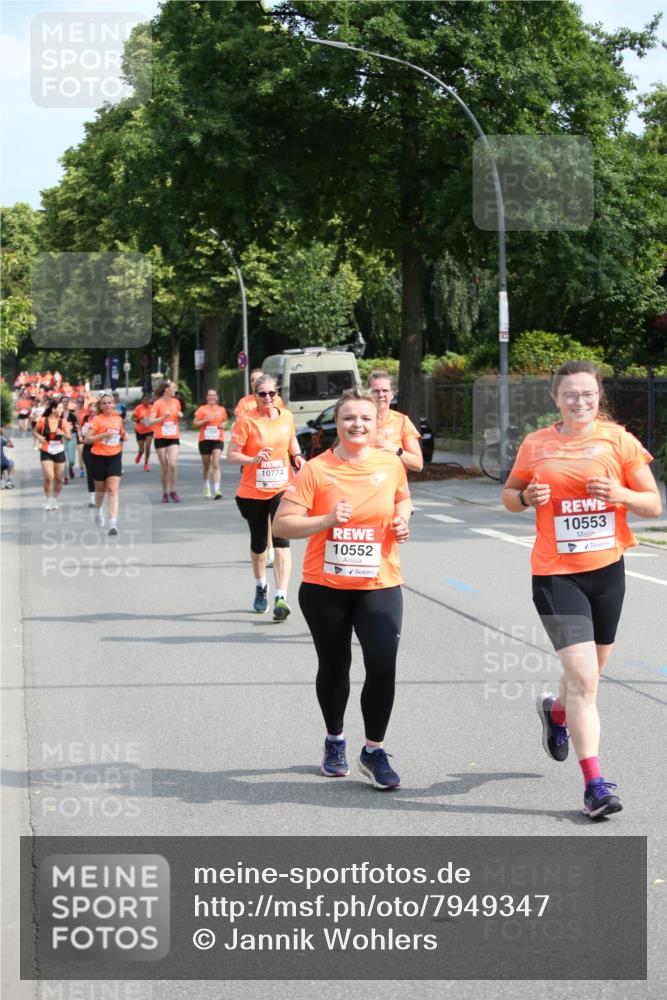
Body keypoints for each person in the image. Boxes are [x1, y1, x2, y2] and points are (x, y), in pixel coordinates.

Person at [502, 360, 662, 820]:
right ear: (556, 399)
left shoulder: (619, 440)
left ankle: (557, 714)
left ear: (598, 396)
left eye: (587, 393)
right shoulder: (537, 444)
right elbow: (510, 496)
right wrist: (525, 499)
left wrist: (621, 494)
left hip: (608, 571)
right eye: (569, 394)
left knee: (585, 678)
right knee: (586, 679)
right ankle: (594, 784)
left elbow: (652, 504)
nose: (579, 401)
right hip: (556, 575)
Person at [273, 387, 412, 789]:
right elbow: (281, 525)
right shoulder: (316, 469)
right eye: (349, 417)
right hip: (325, 586)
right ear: (338, 422)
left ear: (376, 424)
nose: (357, 424)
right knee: (336, 667)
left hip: (379, 582)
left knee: (383, 665)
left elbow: (403, 500)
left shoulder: (390, 465)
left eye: (365, 418)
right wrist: (327, 520)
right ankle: (335, 739)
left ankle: (374, 750)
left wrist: (404, 521)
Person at [227, 374, 305, 620]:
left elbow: (291, 438)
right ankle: (261, 586)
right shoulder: (245, 422)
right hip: (252, 490)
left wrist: (298, 456)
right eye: (263, 394)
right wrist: (252, 459)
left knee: (282, 540)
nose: (269, 398)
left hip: (282, 486)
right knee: (259, 543)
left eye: (273, 393)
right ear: (255, 394)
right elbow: (231, 455)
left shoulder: (287, 416)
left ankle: (281, 596)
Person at [84, 392, 128, 535]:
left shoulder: (118, 419)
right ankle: (98, 511)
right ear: (101, 406)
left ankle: (113, 523)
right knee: (101, 491)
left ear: (114, 404)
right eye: (104, 403)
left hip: (115, 456)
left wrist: (124, 435)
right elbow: (87, 439)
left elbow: (121, 433)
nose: (107, 405)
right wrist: (103, 436)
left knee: (113, 490)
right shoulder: (97, 420)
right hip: (98, 458)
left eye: (110, 402)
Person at [367, 370, 423, 473]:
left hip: (395, 488)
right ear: (368, 394)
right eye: (376, 391)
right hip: (367, 486)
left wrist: (396, 450)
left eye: (385, 390)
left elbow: (418, 465)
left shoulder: (402, 421)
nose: (381, 394)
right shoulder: (360, 422)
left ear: (392, 394)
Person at [141, 380, 182, 502]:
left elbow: (178, 414)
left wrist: (179, 415)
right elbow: (150, 421)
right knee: (164, 467)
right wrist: (163, 417)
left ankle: (173, 490)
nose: (175, 390)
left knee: (173, 464)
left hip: (173, 436)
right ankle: (165, 492)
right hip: (160, 438)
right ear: (166, 390)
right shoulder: (157, 404)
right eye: (173, 388)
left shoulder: (176, 402)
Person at [34, 399, 72, 510]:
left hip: (59, 451)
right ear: (53, 409)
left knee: (59, 479)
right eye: (59, 408)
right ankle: (48, 500)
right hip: (46, 450)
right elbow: (35, 431)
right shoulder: (42, 420)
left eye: (62, 408)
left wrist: (63, 433)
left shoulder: (63, 422)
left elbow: (69, 437)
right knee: (49, 477)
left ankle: (55, 499)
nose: (62, 410)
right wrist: (40, 437)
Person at [193, 389, 228, 499]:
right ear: (207, 397)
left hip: (218, 439)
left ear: (216, 397)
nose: (212, 397)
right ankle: (206, 487)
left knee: (216, 463)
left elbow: (225, 421)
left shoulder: (221, 409)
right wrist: (204, 421)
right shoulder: (202, 409)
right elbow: (194, 424)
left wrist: (224, 424)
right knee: (206, 466)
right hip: (205, 440)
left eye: (213, 395)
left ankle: (217, 489)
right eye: (209, 395)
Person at [79, 399, 98, 507]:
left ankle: (100, 494)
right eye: (89, 410)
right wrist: (81, 436)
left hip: (99, 447)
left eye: (93, 409)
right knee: (90, 472)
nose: (91, 412)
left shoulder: (101, 419)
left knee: (99, 472)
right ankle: (92, 498)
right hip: (88, 447)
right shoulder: (85, 418)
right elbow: (82, 431)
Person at [131, 393, 154, 471]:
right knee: (142, 450)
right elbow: (132, 418)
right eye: (144, 400)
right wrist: (138, 420)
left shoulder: (152, 408)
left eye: (147, 400)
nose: (146, 401)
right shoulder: (138, 408)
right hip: (139, 431)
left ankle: (146, 464)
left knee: (148, 446)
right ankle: (140, 454)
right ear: (142, 400)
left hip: (149, 430)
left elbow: (155, 417)